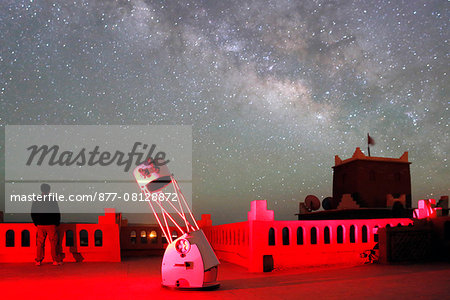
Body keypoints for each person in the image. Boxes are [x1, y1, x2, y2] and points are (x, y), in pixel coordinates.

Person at [31, 183, 62, 266]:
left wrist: (36, 222)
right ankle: (55, 260)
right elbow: (57, 212)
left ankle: (38, 260)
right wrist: (57, 222)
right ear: (49, 190)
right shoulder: (52, 199)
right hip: (51, 224)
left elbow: (33, 212)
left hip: (40, 224)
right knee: (53, 243)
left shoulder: (37, 199)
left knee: (40, 243)